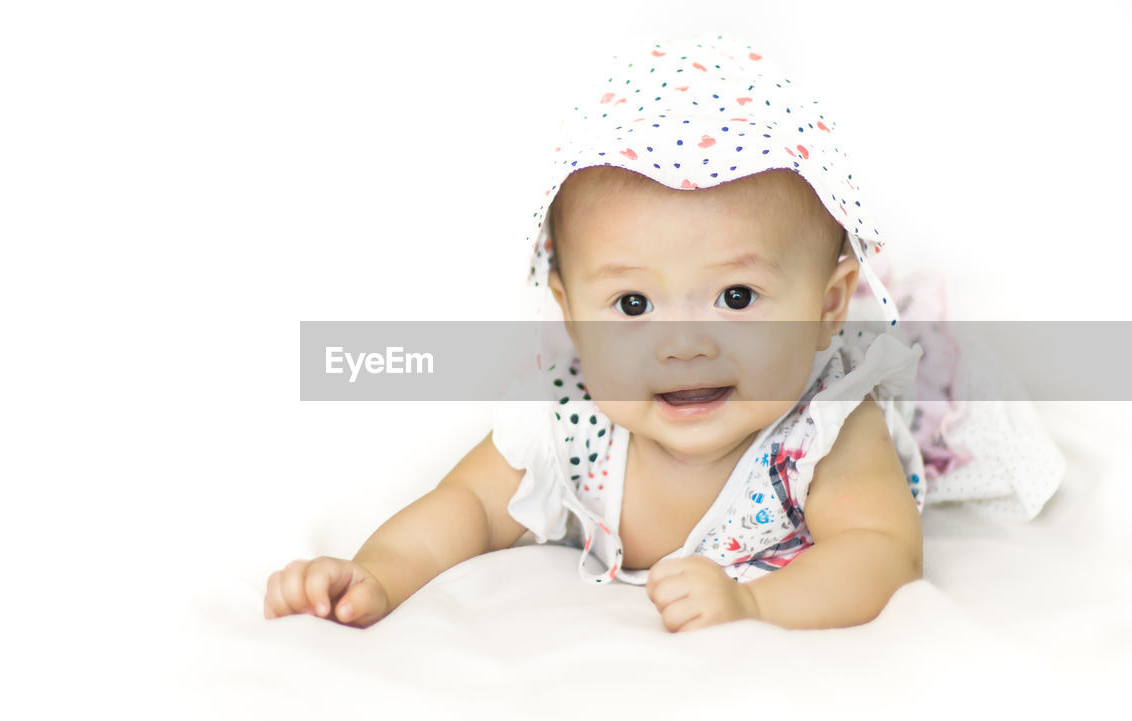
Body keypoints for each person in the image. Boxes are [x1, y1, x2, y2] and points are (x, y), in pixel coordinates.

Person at [265, 34, 932, 632]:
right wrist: (377, 572)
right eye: (633, 303)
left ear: (827, 308)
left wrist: (756, 604)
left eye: (736, 297)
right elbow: (466, 504)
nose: (683, 346)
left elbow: (880, 551)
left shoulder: (821, 430)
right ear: (571, 313)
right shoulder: (571, 421)